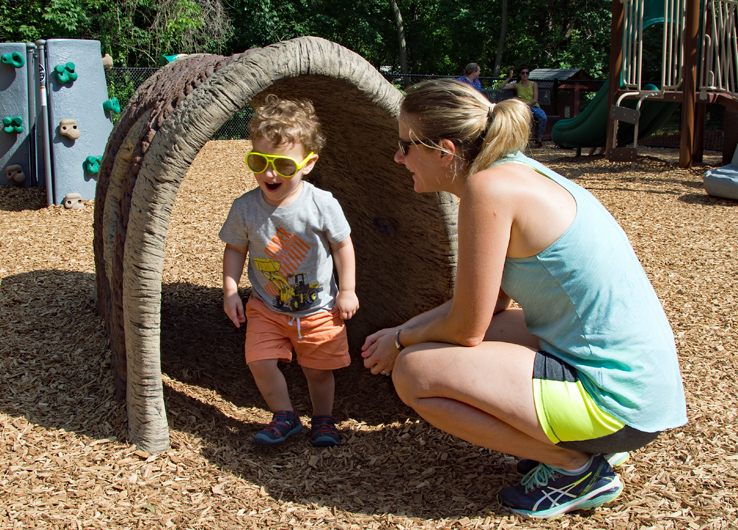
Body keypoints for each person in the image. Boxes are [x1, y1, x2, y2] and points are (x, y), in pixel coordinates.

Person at [361, 79, 686, 519]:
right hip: (643, 392)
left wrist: (400, 342)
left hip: (617, 406)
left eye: (405, 145)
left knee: (413, 373)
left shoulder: (488, 191)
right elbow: (488, 308)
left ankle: (575, 468)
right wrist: (404, 331)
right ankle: (579, 446)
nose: (398, 157)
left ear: (444, 149)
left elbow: (465, 329)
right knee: (474, 334)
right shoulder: (516, 172)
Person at [220, 94, 359, 448]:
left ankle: (324, 419)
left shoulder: (321, 204)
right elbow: (236, 249)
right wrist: (231, 290)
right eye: (259, 161)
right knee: (259, 360)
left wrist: (347, 290)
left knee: (317, 370)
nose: (269, 173)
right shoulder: (246, 208)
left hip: (317, 309)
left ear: (307, 163)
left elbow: (343, 245)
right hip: (268, 306)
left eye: (282, 165)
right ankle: (284, 415)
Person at [502, 66, 547, 147]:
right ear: (520, 74)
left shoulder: (534, 84)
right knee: (528, 118)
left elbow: (535, 99)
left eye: (527, 73)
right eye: (523, 73)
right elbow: (501, 87)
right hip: (522, 108)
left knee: (543, 117)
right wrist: (509, 78)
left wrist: (527, 105)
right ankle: (527, 140)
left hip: (534, 106)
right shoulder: (516, 85)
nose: (525, 74)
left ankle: (539, 138)